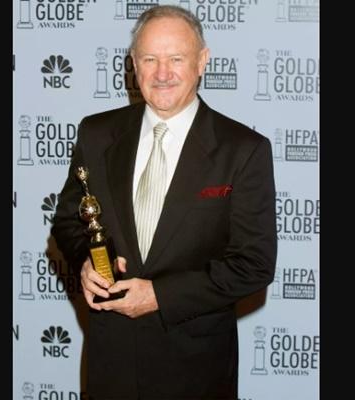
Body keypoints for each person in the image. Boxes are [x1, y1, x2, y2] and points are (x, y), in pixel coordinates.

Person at [51, 5, 277, 400]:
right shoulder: (97, 134)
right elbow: (70, 221)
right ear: (134, 64)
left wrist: (160, 296)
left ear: (202, 61)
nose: (162, 73)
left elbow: (254, 265)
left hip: (195, 370)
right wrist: (86, 261)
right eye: (150, 59)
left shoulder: (242, 151)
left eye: (176, 59)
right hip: (111, 368)